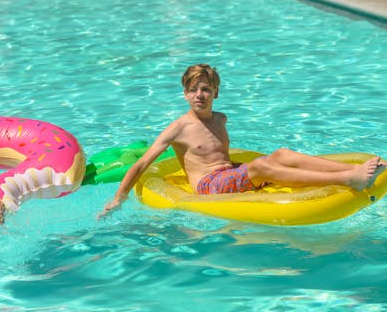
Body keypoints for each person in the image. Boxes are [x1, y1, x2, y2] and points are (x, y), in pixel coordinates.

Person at [100, 63, 385, 217]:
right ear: (185, 94)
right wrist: (118, 198)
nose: (200, 95)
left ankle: (348, 171)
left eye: (206, 89)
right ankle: (350, 178)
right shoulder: (178, 128)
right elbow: (142, 164)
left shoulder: (219, 119)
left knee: (282, 153)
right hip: (208, 186)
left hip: (230, 173)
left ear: (216, 93)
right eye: (194, 90)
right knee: (260, 167)